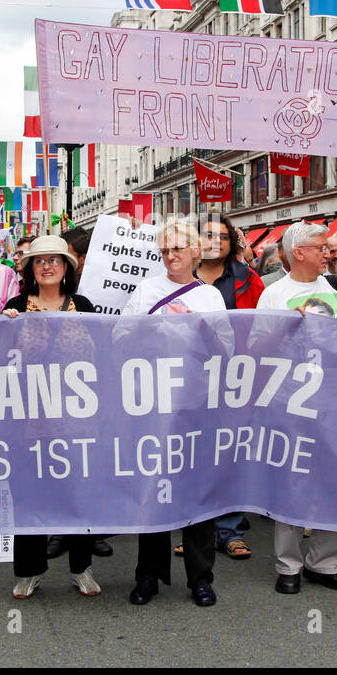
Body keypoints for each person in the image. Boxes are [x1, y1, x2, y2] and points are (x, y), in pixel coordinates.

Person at [120, 218, 225, 607]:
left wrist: (196, 328)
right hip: (151, 401)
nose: (170, 256)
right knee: (152, 487)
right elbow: (119, 335)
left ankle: (200, 577)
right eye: (164, 250)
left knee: (197, 490)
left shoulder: (210, 297)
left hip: (194, 403)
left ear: (195, 251)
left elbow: (224, 347)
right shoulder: (147, 289)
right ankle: (148, 574)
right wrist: (151, 325)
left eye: (178, 248)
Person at [256, 221, 337, 595]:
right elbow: (258, 347)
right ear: (298, 253)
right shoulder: (274, 295)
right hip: (289, 403)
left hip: (335, 399)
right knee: (292, 480)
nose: (328, 254)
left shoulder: (335, 290)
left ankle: (327, 562)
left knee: (335, 480)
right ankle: (289, 564)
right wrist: (285, 329)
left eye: (328, 248)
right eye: (320, 248)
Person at [0, 236, 102, 599]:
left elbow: (104, 353)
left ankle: (81, 568)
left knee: (78, 494)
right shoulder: (15, 306)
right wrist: (3, 330)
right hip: (27, 421)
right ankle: (28, 570)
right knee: (28, 494)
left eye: (55, 260)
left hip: (76, 420)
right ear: (29, 269)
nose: (47, 266)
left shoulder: (84, 305)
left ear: (66, 268)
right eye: (39, 260)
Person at [196, 214, 264, 559]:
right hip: (188, 381)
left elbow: (263, 326)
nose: (216, 241)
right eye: (208, 235)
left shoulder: (248, 279)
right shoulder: (179, 277)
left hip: (235, 379)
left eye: (223, 236)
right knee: (193, 454)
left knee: (231, 453)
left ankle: (229, 529)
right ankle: (195, 529)